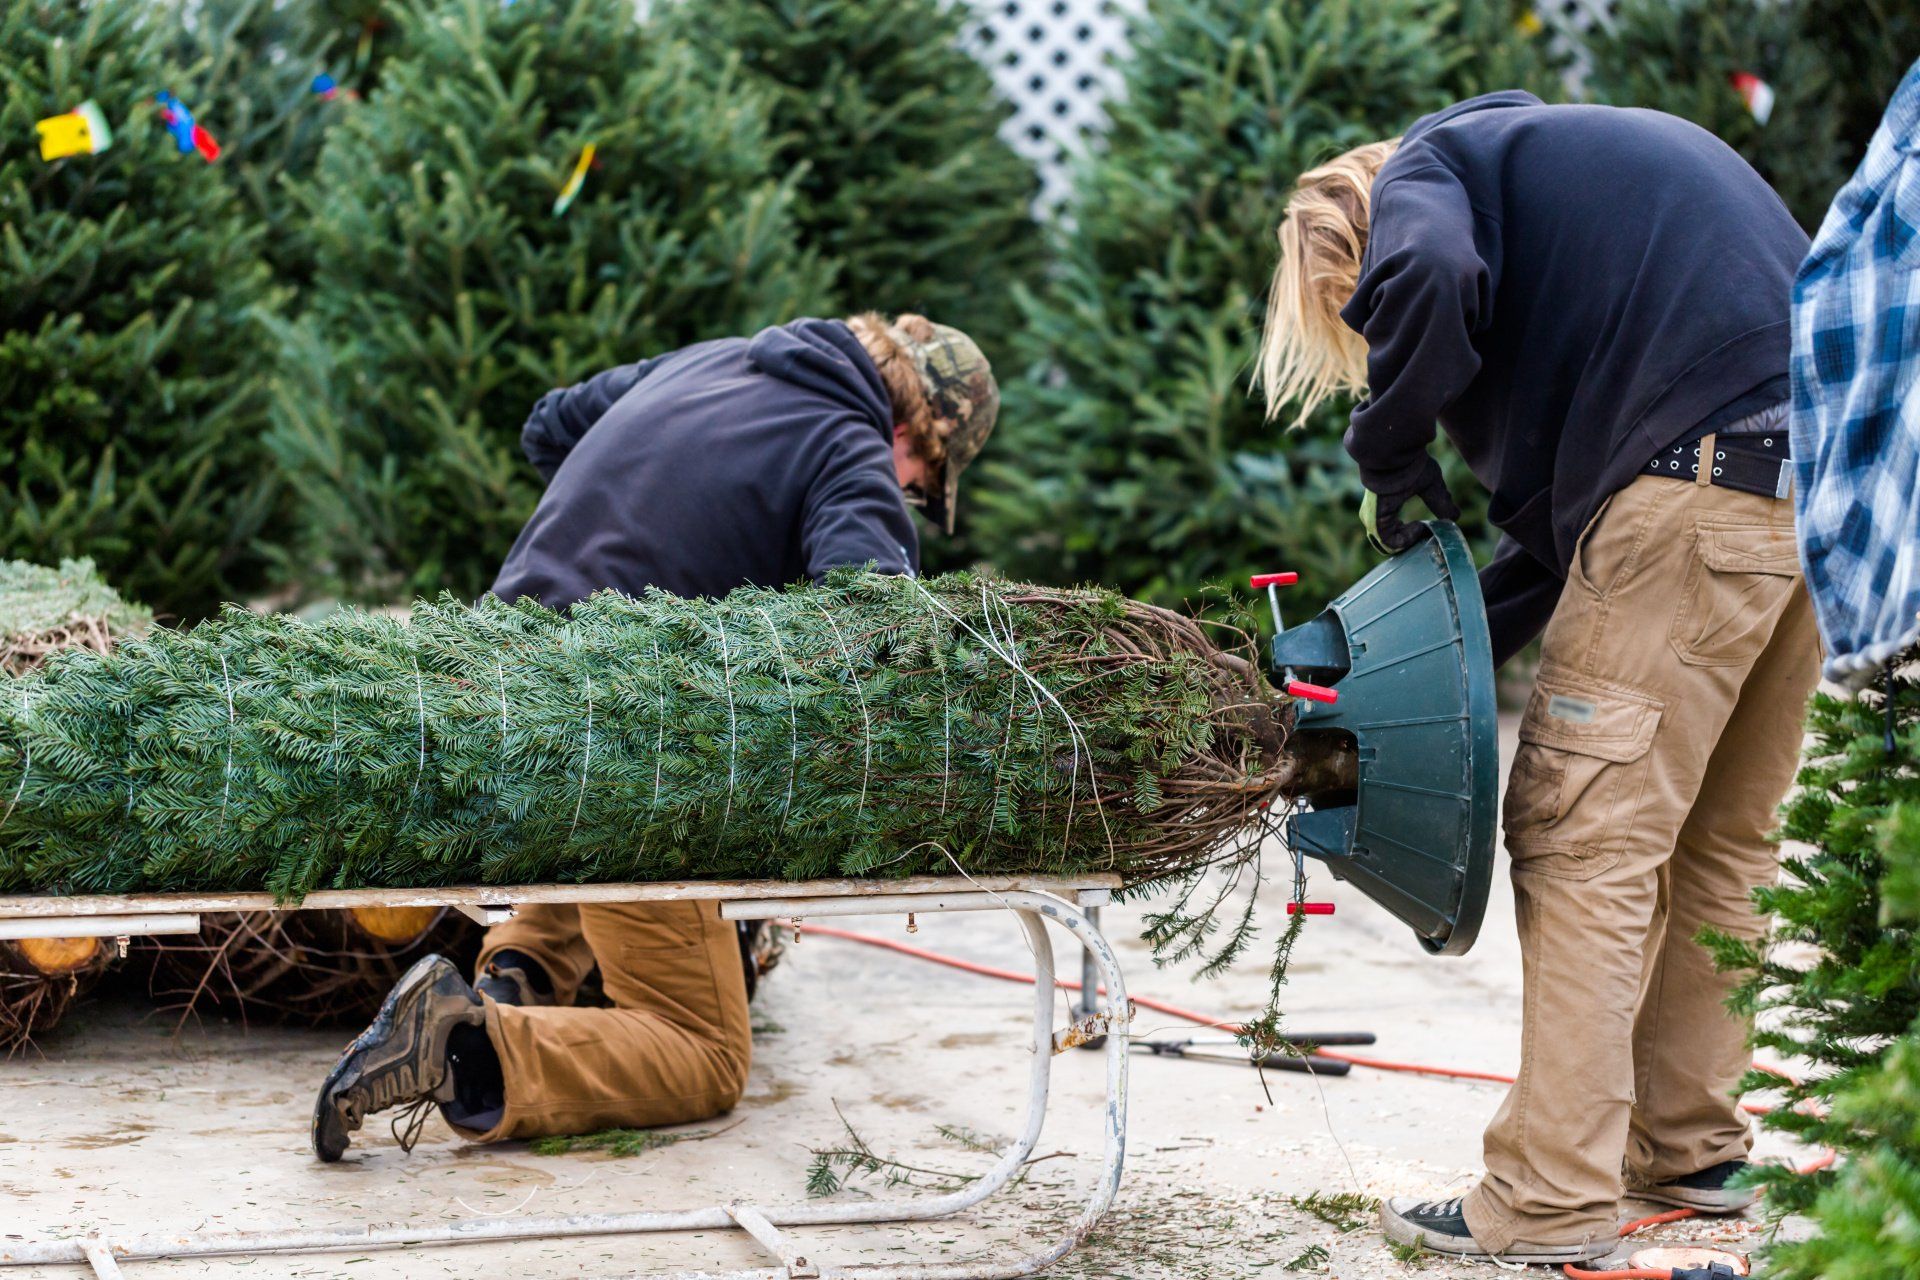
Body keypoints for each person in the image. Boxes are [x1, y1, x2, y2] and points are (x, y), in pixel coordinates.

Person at [1260, 92, 1821, 1264]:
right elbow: (1544, 571)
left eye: (1356, 318)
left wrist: (1390, 451)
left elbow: (1430, 265)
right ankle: (1690, 1145)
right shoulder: (1567, 199)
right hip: (1810, 495)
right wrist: (1362, 685)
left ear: (1352, 244)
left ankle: (1552, 1196)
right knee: (1723, 839)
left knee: (1581, 834)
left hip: (1693, 485)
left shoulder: (1430, 172)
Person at [311, 312, 999, 1161]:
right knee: (706, 1052)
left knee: (587, 845)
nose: (907, 500)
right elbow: (870, 641)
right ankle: (465, 1049)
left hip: (496, 691)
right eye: (920, 484)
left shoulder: (708, 359)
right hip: (626, 733)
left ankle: (500, 987)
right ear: (912, 429)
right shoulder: (849, 444)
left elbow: (550, 424)